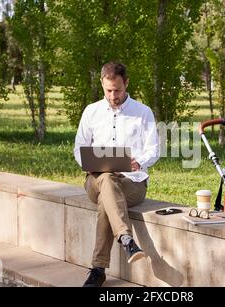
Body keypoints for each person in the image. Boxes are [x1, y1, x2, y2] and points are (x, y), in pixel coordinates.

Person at [74, 62, 159, 287]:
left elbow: (154, 149)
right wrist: (87, 163)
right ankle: (126, 239)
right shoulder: (91, 111)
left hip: (133, 183)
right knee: (106, 179)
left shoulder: (143, 112)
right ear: (102, 84)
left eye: (118, 90)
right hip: (95, 181)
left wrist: (139, 161)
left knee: (108, 190)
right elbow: (79, 148)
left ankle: (98, 269)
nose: (113, 96)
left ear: (127, 83)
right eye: (108, 90)